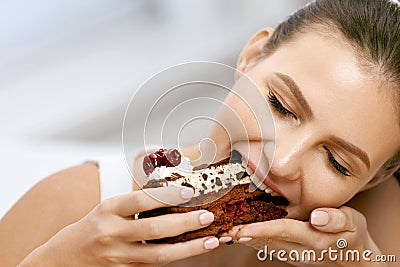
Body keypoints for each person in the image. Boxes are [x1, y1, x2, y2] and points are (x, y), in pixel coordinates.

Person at [1, 0, 400, 266]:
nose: (280, 161)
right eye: (280, 106)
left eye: (337, 162)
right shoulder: (73, 203)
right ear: (250, 57)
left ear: (375, 178)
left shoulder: (371, 230)